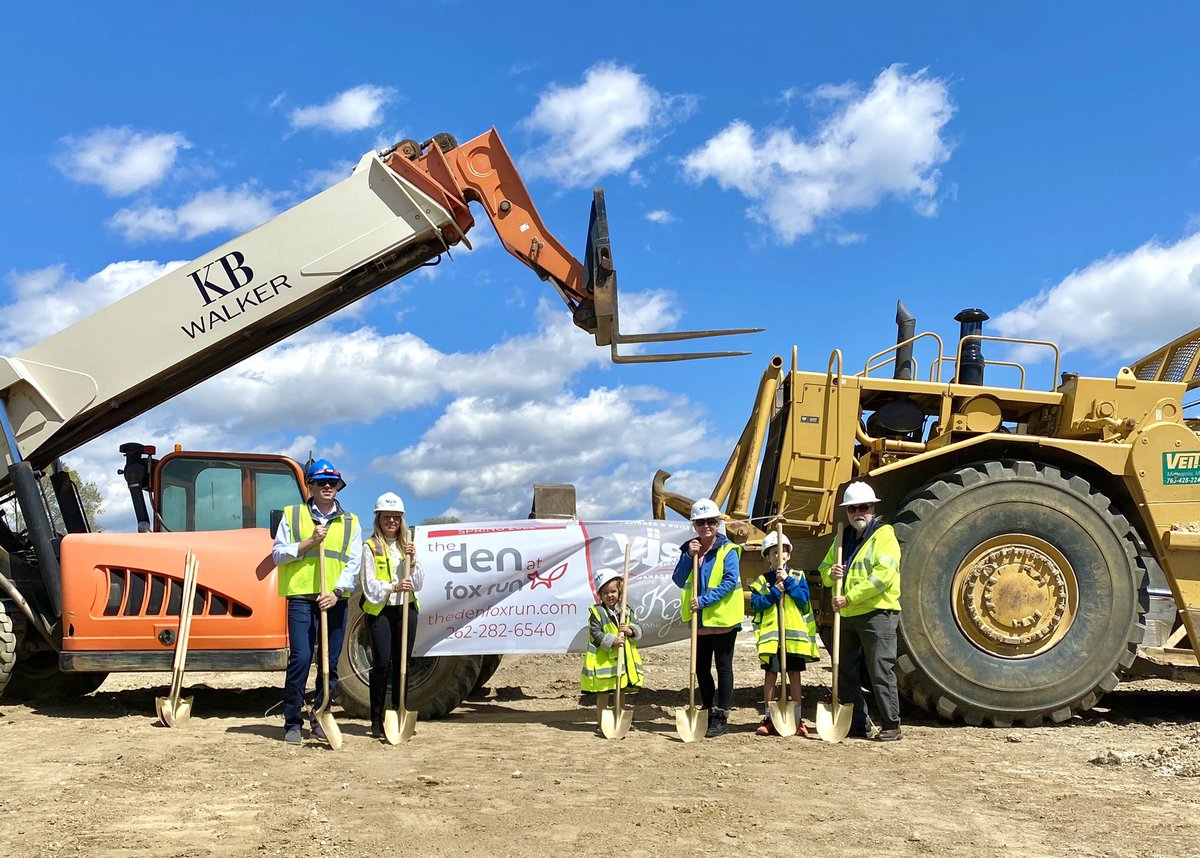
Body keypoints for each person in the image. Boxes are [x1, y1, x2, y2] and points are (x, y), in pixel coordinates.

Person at [272, 459, 363, 744]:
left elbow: (354, 562)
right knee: (300, 659)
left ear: (338, 487)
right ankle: (292, 721)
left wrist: (335, 593)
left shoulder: (351, 522)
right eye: (321, 482)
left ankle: (321, 715)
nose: (327, 487)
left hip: (333, 599)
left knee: (330, 662)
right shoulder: (293, 515)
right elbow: (277, 555)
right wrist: (309, 542)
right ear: (309, 485)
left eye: (332, 483)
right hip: (301, 597)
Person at [818, 481, 903, 742]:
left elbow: (883, 577)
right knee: (845, 672)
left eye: (863, 508)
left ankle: (891, 725)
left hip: (878, 613)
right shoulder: (842, 538)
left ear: (873, 509)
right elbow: (823, 571)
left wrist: (849, 598)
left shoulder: (884, 536)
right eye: (853, 509)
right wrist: (830, 574)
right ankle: (857, 724)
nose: (858, 513)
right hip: (847, 616)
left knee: (880, 669)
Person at [671, 498, 745, 738]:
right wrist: (687, 556)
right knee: (701, 668)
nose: (706, 526)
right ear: (694, 525)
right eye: (701, 522)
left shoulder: (728, 550)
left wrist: (703, 601)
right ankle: (708, 707)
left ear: (717, 523)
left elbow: (729, 582)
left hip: (722, 621)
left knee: (723, 667)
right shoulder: (689, 549)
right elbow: (679, 579)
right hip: (700, 623)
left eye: (710, 522)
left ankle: (722, 715)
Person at [359, 492, 421, 739]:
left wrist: (413, 561)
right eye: (387, 517)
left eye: (396, 517)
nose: (391, 522)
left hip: (406, 609)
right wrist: (393, 587)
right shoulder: (371, 547)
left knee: (402, 665)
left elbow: (419, 582)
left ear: (401, 519)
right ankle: (376, 720)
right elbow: (369, 584)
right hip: (381, 610)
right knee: (382, 663)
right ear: (378, 519)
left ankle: (399, 712)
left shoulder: (408, 547)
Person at [749, 529, 819, 737]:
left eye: (782, 552)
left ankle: (796, 718)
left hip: (794, 640)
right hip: (773, 640)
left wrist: (787, 582)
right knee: (771, 675)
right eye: (774, 553)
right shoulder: (762, 581)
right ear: (767, 557)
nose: (779, 556)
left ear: (789, 555)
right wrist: (774, 592)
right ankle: (770, 717)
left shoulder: (797, 576)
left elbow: (802, 600)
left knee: (794, 676)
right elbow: (757, 604)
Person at [580, 568, 644, 704]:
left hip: (622, 663)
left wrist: (630, 631)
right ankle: (602, 722)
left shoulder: (627, 611)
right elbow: (595, 632)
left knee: (620, 691)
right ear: (600, 595)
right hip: (605, 665)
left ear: (620, 592)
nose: (610, 595)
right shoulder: (597, 613)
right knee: (603, 693)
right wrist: (612, 640)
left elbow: (638, 629)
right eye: (605, 593)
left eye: (613, 591)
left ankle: (619, 719)